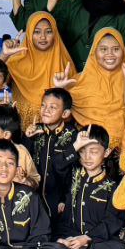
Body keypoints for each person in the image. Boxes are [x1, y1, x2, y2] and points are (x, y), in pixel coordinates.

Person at [55, 125, 125, 249]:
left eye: (93, 152)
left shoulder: (112, 186)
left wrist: (86, 238)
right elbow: (57, 164)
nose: (87, 157)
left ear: (106, 152)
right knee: (52, 240)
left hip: (96, 240)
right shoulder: (72, 175)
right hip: (69, 235)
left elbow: (112, 221)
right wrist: (75, 146)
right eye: (82, 151)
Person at [57, 28, 125, 143]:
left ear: (123, 51)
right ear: (94, 52)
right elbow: (64, 119)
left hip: (124, 147)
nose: (110, 54)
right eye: (103, 49)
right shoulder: (77, 82)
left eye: (116, 49)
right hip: (86, 147)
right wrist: (60, 90)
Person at [4, 12, 75, 128]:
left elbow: (71, 112)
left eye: (48, 31)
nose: (43, 37)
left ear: (55, 34)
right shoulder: (15, 61)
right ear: (29, 34)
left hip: (54, 134)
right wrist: (4, 55)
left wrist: (61, 90)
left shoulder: (65, 65)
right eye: (37, 32)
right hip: (20, 132)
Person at [26, 87, 78, 216]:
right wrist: (27, 138)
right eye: (43, 105)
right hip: (35, 198)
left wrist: (66, 198)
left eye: (52, 107)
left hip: (60, 201)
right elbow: (23, 159)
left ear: (65, 113)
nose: (46, 110)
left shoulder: (73, 135)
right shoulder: (34, 130)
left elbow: (75, 170)